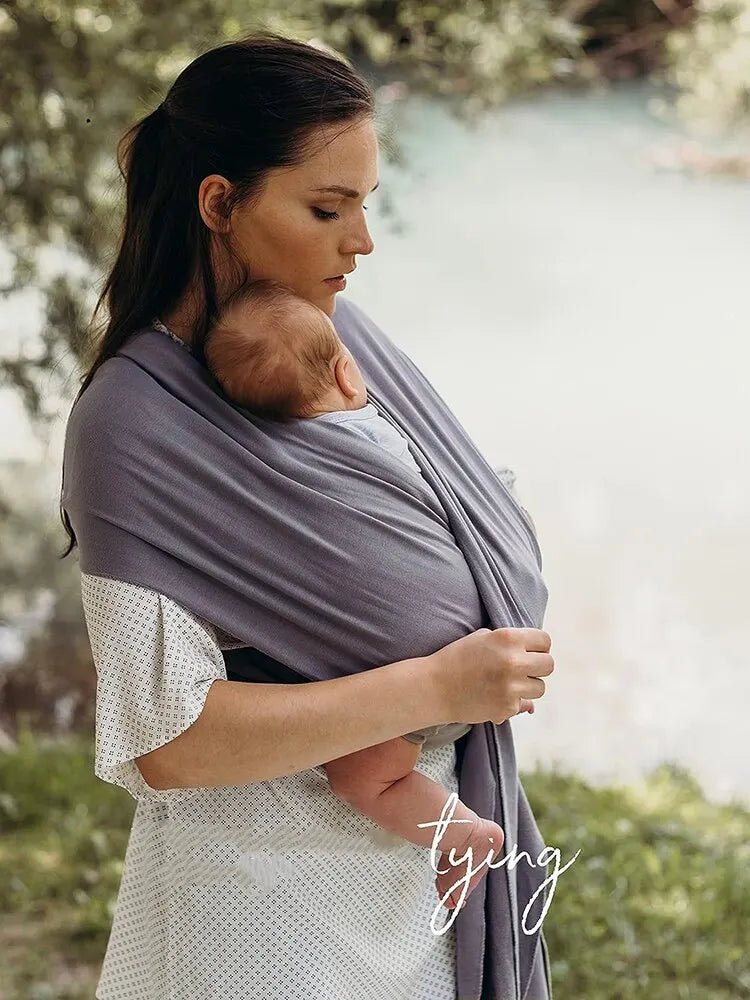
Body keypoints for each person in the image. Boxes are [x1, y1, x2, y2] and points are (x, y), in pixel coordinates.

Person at [60, 32, 555, 999]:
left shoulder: (329, 329)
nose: (360, 243)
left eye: (364, 206)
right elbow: (171, 739)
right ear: (219, 203)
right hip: (261, 905)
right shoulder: (130, 423)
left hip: (416, 876)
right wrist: (437, 682)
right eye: (327, 208)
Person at [199, 277, 541, 910]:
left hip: (411, 662)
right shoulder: (389, 432)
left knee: (364, 776)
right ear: (351, 377)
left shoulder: (273, 464)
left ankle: (458, 833)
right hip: (472, 641)